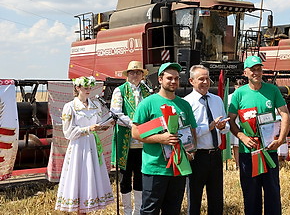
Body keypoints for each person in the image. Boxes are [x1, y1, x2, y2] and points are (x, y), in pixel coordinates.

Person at [131, 62, 197, 215]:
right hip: (155, 168)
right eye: (169, 78)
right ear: (160, 79)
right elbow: (135, 133)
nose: (174, 81)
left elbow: (192, 131)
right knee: (150, 211)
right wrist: (161, 138)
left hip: (178, 168)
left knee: (173, 210)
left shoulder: (184, 104)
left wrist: (191, 152)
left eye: (176, 78)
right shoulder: (148, 103)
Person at [228, 56, 290, 215]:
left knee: (272, 192)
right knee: (250, 193)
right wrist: (242, 137)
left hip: (269, 150)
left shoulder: (272, 90)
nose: (256, 72)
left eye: (259, 69)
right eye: (253, 69)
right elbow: (231, 120)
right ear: (245, 72)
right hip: (247, 152)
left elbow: (285, 115)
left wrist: (281, 139)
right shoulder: (239, 94)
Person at [55, 76, 114, 214]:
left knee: (91, 174)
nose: (88, 90)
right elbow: (68, 133)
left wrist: (106, 125)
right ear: (77, 88)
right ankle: (79, 207)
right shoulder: (70, 107)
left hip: (92, 144)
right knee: (79, 174)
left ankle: (88, 204)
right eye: (85, 88)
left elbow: (97, 123)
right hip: (78, 146)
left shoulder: (95, 105)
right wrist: (88, 129)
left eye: (90, 88)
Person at [184, 65, 230, 215]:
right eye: (201, 79)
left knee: (216, 199)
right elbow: (187, 133)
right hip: (197, 157)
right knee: (194, 199)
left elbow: (226, 126)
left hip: (215, 156)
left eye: (207, 78)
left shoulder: (217, 100)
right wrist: (209, 127)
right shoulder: (186, 103)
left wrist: (223, 126)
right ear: (191, 81)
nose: (205, 82)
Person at [110, 61, 152, 215]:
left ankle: (139, 209)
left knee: (141, 176)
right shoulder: (119, 91)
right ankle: (127, 210)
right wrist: (134, 125)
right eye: (132, 72)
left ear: (142, 75)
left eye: (138, 72)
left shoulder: (147, 92)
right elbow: (116, 112)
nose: (135, 75)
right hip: (126, 141)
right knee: (125, 177)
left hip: (144, 142)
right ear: (127, 75)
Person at [228, 78, 246, 170]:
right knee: (235, 145)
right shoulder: (230, 97)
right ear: (235, 87)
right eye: (238, 86)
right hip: (234, 122)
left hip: (245, 121)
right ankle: (238, 164)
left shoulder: (246, 95)